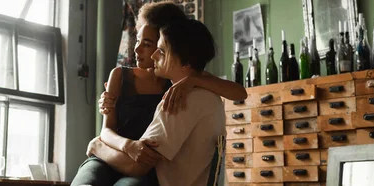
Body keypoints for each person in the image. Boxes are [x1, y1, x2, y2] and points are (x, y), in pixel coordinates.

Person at [70, 2, 244, 186]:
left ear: (167, 43)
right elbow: (106, 130)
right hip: (110, 153)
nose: (137, 49)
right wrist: (125, 145)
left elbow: (239, 92)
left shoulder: (176, 84)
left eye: (148, 44)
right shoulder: (121, 75)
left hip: (143, 167)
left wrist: (193, 80)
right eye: (137, 40)